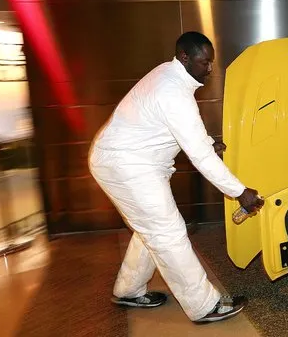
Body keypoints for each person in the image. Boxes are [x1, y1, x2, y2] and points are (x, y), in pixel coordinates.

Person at [88, 31, 264, 323]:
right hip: (126, 165)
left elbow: (176, 128)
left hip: (128, 162)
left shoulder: (171, 79)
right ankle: (204, 306)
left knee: (152, 229)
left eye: (211, 62)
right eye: (203, 62)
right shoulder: (172, 91)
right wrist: (240, 192)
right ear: (184, 57)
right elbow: (200, 156)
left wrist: (207, 142)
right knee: (168, 232)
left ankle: (128, 290)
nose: (209, 68)